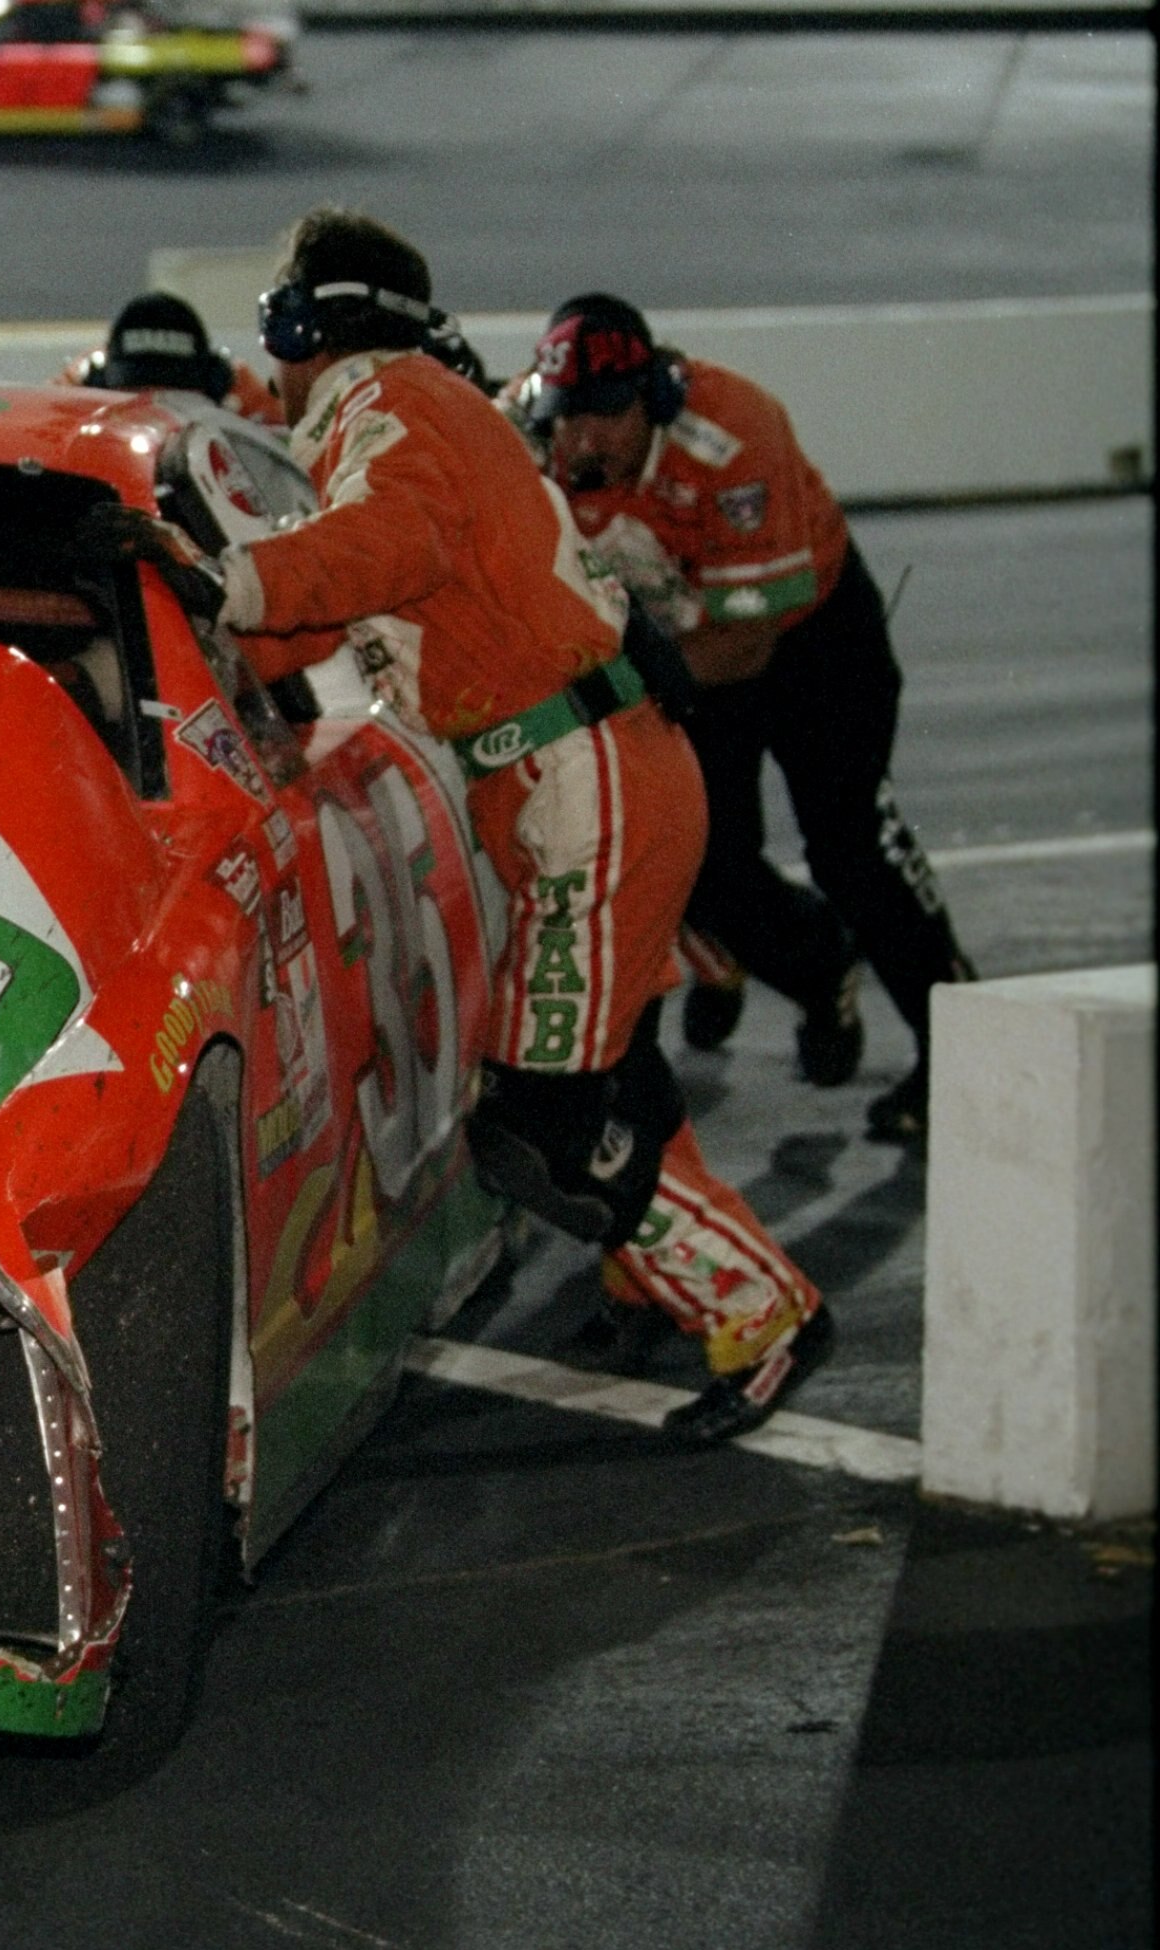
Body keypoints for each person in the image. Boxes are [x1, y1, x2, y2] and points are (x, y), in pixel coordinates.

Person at [100, 209, 829, 1442]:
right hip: (581, 776)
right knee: (601, 1078)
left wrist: (230, 579)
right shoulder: (419, 412)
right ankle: (651, 1282)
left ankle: (768, 1312)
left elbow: (384, 546)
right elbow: (330, 613)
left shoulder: (384, 399)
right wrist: (189, 615)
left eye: (280, 318)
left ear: (310, 323)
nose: (274, 354)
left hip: (584, 781)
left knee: (545, 1118)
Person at [513, 294, 972, 1142]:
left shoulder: (733, 432)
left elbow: (746, 646)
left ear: (654, 398)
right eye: (566, 415)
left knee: (852, 844)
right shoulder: (524, 432)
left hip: (805, 639)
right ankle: (818, 962)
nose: (581, 441)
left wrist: (603, 691)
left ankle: (962, 1050)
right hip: (679, 646)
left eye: (606, 415)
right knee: (704, 861)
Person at [58, 291, 285, 426]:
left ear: (213, 380)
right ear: (99, 380)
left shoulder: (241, 391)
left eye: (174, 396)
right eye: (137, 392)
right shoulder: (75, 386)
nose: (153, 404)